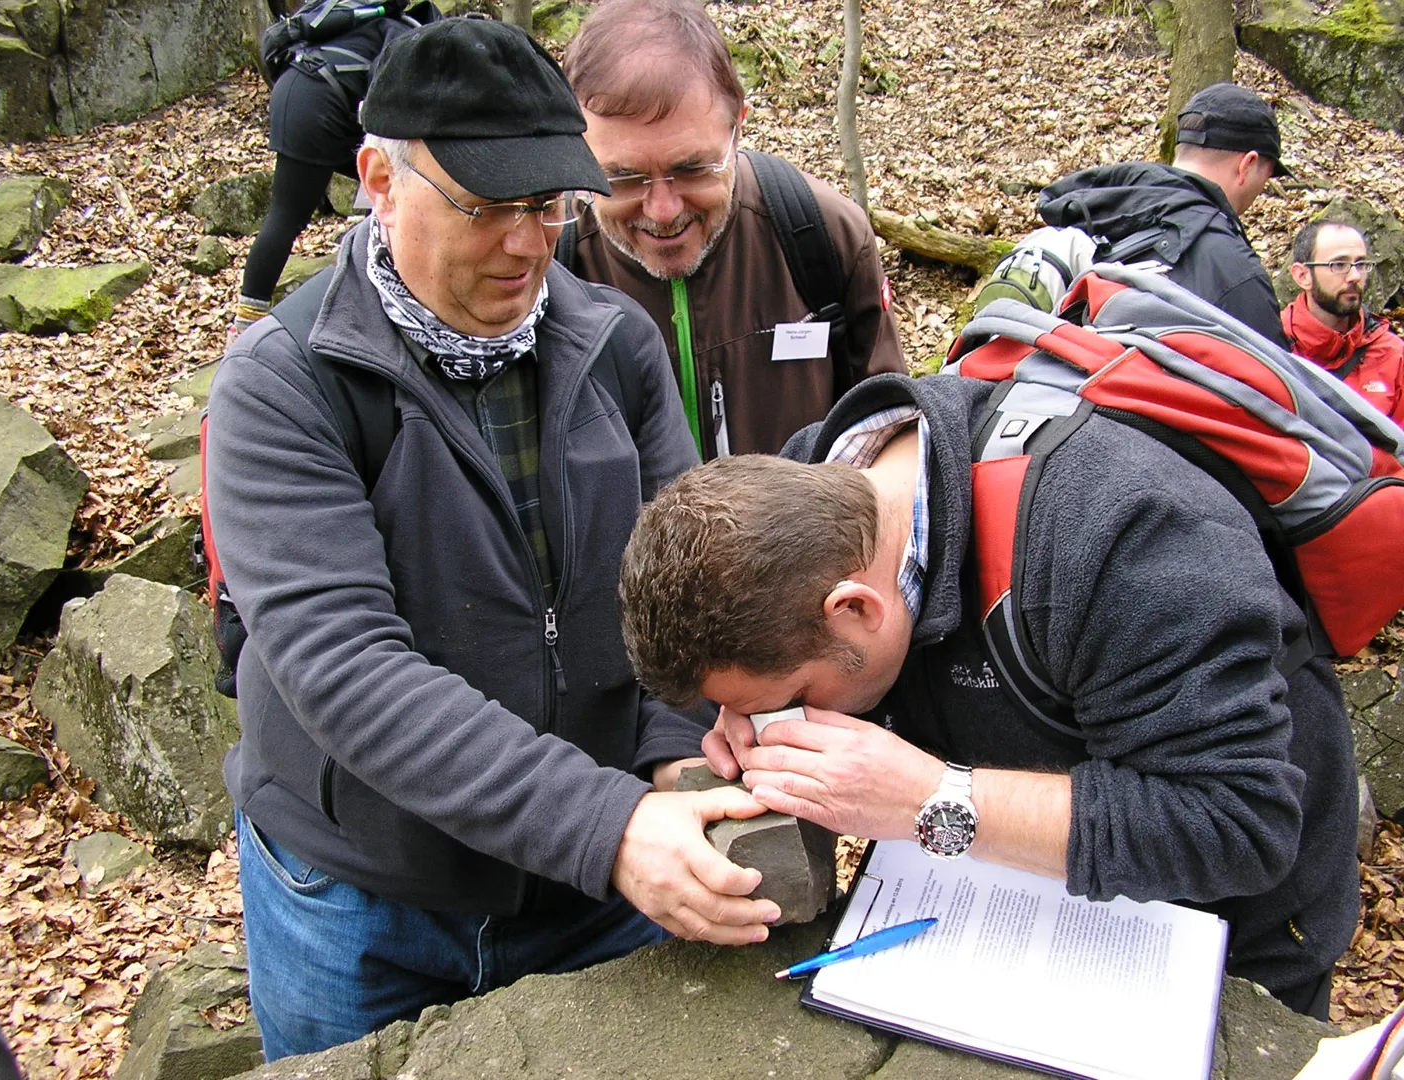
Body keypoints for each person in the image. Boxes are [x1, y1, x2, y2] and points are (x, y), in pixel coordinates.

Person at [206, 18, 782, 1061]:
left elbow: (684, 584)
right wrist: (605, 826)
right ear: (379, 178)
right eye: (485, 207)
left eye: (547, 203)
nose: (528, 242)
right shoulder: (282, 386)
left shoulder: (615, 343)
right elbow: (346, 669)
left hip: (588, 886)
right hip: (361, 902)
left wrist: (667, 756)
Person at [617, 370, 1359, 1021]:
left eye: (793, 696)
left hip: (1223, 939)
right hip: (1014, 926)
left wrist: (929, 802)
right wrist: (733, 722)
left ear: (855, 610)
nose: (776, 724)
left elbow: (1237, 822)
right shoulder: (806, 493)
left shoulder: (1115, 535)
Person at [559, 0, 907, 459]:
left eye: (692, 169)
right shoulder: (547, 265)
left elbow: (891, 434)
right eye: (621, 178)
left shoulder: (821, 236)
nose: (662, 211)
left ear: (738, 127)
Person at [228, 0, 432, 341]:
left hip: (295, 89)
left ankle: (379, 266)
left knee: (389, 181)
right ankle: (245, 328)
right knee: (289, 217)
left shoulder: (371, 19)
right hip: (321, 104)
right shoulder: (407, 37)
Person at [1037, 82, 1291, 348]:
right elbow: (1276, 382)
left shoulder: (1095, 210)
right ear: (1247, 165)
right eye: (1267, 173)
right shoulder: (1233, 269)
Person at [1284, 220, 1404, 425]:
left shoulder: (1392, 355)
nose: (1355, 276)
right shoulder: (1272, 342)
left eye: (1361, 264)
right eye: (1339, 265)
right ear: (1303, 276)